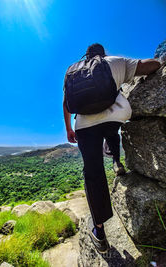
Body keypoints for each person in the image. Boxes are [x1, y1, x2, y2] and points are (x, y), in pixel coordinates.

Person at [63, 43, 161, 253]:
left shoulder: (72, 70)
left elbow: (66, 103)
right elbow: (149, 65)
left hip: (84, 125)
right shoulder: (114, 61)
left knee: (93, 173)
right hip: (115, 116)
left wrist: (68, 129)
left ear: (86, 56)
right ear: (102, 54)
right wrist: (160, 62)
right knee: (111, 132)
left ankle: (100, 233)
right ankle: (116, 160)